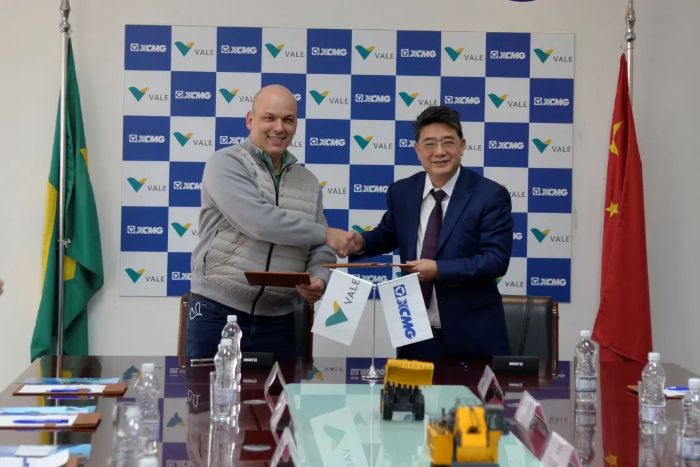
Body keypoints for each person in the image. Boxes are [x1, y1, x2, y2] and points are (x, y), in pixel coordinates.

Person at [187, 84, 348, 360]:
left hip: (280, 320)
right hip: (217, 313)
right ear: (250, 120)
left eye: (288, 120)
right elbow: (259, 222)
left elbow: (319, 249)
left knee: (280, 391)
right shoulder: (225, 163)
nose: (279, 128)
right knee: (213, 390)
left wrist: (319, 278)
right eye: (269, 118)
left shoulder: (308, 181)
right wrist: (326, 233)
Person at [343, 105, 513, 360]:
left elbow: (495, 260)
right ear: (417, 149)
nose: (440, 152)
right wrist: (359, 242)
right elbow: (388, 234)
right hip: (414, 333)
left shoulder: (490, 195)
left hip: (473, 336)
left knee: (471, 391)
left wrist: (439, 270)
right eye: (430, 144)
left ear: (462, 145)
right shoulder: (402, 191)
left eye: (448, 142)